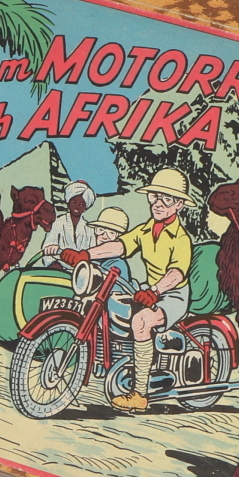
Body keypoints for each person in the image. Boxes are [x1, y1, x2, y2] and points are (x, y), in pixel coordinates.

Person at [63, 169, 195, 412]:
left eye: (167, 199)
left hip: (173, 294)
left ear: (179, 204)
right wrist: (86, 255)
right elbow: (120, 246)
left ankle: (139, 394)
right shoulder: (145, 230)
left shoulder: (181, 238)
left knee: (141, 322)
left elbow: (176, 273)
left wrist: (155, 291)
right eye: (155, 196)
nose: (158, 203)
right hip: (150, 289)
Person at [35, 181, 100, 267]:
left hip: (81, 271)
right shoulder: (58, 223)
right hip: (58, 269)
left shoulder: (89, 229)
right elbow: (47, 250)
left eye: (81, 205)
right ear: (68, 203)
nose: (77, 207)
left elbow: (92, 255)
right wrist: (52, 258)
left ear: (85, 208)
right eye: (74, 203)